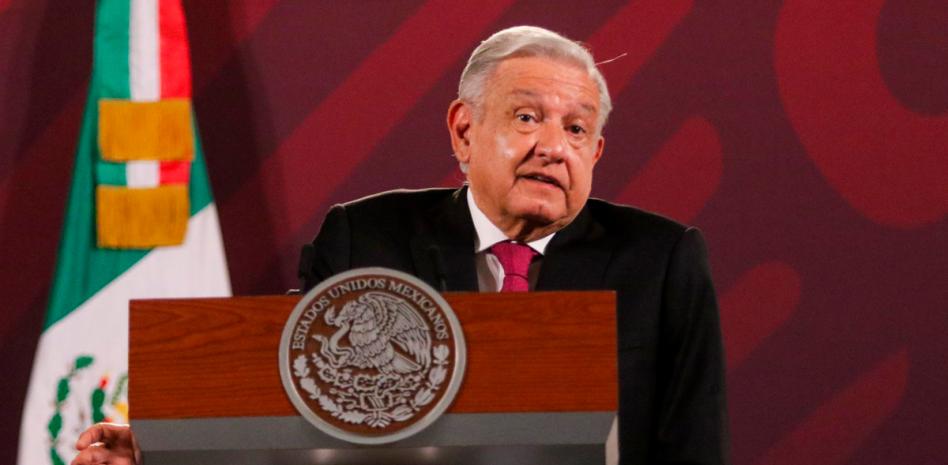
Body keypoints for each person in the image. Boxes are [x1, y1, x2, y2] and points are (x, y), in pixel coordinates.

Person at [73, 26, 728, 465]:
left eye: (577, 129)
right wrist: (162, 451)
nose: (554, 147)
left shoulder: (662, 261)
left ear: (597, 151)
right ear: (464, 130)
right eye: (527, 117)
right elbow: (282, 404)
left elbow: (694, 447)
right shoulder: (366, 239)